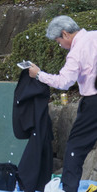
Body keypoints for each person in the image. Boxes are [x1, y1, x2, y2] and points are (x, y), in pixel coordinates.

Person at [28, 16, 97, 192]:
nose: (60, 45)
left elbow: (64, 82)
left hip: (93, 102)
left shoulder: (77, 51)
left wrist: (38, 74)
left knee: (75, 147)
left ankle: (69, 188)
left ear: (65, 34)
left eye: (59, 41)